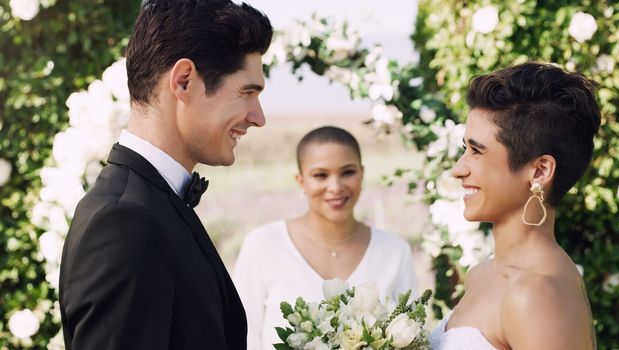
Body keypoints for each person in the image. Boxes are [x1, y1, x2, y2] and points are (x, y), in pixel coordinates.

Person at [58, 1, 272, 349]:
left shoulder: (153, 203)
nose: (258, 117)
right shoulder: (124, 224)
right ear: (184, 81)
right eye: (247, 92)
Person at [429, 62, 599, 349]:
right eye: (464, 149)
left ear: (540, 171)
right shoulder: (482, 273)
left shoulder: (536, 294)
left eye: (477, 151)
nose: (459, 169)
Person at [233, 126, 418, 349]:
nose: (335, 187)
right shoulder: (261, 246)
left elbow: (411, 337)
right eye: (320, 175)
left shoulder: (395, 252)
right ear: (301, 181)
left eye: (347, 172)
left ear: (362, 173)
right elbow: (241, 339)